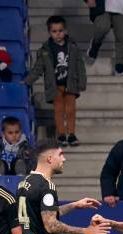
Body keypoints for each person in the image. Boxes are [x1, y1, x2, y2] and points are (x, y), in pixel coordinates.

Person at [24, 16, 86, 147]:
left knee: (70, 110)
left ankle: (71, 134)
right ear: (49, 32)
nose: (58, 34)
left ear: (66, 30)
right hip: (55, 85)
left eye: (60, 30)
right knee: (58, 110)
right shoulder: (45, 50)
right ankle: (61, 134)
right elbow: (38, 68)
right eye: (54, 31)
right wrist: (27, 81)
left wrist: (82, 82)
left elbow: (80, 65)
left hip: (71, 84)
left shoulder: (73, 46)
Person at [85, 0, 123, 75]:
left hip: (122, 8)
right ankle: (95, 45)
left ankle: (119, 65)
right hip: (102, 7)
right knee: (102, 27)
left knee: (122, 35)